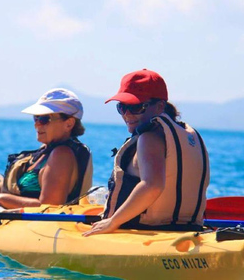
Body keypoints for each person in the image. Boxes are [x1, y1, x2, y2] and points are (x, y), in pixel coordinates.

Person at [83, 69, 209, 236]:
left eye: (136, 107)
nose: (127, 114)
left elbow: (153, 185)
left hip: (147, 231)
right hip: (188, 230)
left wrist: (113, 222)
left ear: (159, 106)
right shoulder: (187, 136)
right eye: (122, 107)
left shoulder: (149, 138)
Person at [0, 88, 92, 212]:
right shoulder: (46, 151)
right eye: (36, 118)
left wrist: (2, 200)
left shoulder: (62, 155)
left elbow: (50, 207)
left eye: (44, 119)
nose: (37, 125)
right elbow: (12, 188)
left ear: (69, 124)